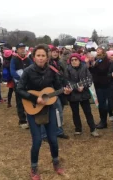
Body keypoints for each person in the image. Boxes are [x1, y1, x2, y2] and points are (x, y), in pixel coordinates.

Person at [16, 45, 72, 179]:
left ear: (47, 57)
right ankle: (34, 168)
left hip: (49, 108)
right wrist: (36, 98)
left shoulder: (52, 70)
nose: (41, 58)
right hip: (33, 108)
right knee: (37, 141)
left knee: (53, 139)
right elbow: (19, 89)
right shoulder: (28, 71)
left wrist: (66, 91)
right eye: (38, 55)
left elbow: (58, 87)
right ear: (34, 57)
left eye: (43, 56)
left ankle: (56, 163)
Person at [65, 53, 99, 137]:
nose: (74, 61)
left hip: (84, 94)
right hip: (73, 95)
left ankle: (93, 129)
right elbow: (67, 81)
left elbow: (89, 79)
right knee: (75, 112)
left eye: (75, 60)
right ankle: (78, 129)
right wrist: (76, 88)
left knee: (88, 112)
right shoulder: (68, 69)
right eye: (72, 60)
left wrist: (84, 86)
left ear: (79, 60)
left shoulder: (84, 67)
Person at [41, 47, 69, 140]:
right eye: (53, 52)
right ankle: (44, 134)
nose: (55, 53)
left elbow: (64, 76)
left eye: (57, 52)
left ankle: (59, 131)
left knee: (59, 112)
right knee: (44, 113)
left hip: (57, 90)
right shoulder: (46, 63)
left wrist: (65, 86)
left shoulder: (60, 63)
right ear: (49, 53)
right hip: (46, 91)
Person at [10, 43, 33, 129]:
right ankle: (22, 121)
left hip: (28, 84)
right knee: (20, 102)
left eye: (24, 48)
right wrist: (21, 79)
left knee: (29, 101)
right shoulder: (14, 59)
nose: (23, 50)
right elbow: (12, 71)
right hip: (18, 84)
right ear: (17, 50)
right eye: (21, 48)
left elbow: (32, 69)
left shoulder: (28, 59)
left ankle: (30, 119)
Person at [88, 46, 110, 129]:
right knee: (100, 103)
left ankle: (104, 122)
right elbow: (93, 71)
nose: (98, 51)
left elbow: (102, 70)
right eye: (97, 50)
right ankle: (102, 120)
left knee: (102, 104)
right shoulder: (97, 59)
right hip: (97, 84)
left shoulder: (105, 60)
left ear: (103, 51)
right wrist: (91, 65)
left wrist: (94, 64)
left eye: (99, 49)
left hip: (103, 84)